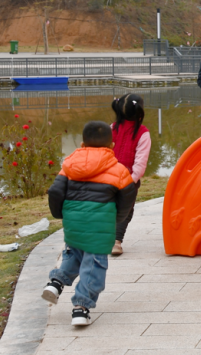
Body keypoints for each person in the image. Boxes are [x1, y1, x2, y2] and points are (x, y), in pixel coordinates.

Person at [42, 121, 136, 327]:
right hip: (100, 225)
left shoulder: (68, 165)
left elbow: (55, 191)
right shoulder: (119, 170)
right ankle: (81, 307)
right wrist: (117, 220)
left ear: (82, 144)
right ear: (111, 145)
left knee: (74, 254)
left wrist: (60, 214)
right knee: (93, 265)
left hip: (73, 221)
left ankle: (56, 283)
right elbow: (128, 198)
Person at [110, 93, 151, 256]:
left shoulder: (111, 127)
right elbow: (140, 163)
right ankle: (116, 242)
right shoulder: (143, 133)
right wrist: (131, 180)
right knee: (125, 210)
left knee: (109, 207)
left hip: (108, 178)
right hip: (128, 180)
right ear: (139, 111)